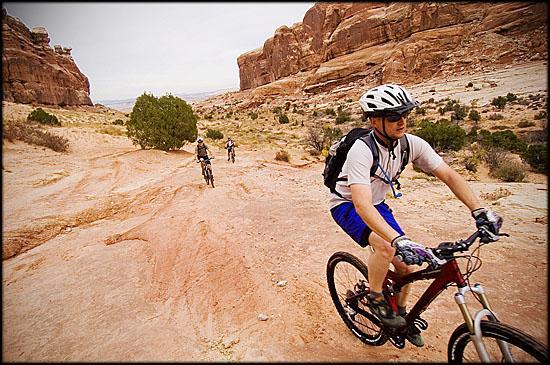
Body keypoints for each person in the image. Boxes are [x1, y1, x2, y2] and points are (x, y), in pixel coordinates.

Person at [328, 83, 502, 347]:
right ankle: (375, 297)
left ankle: (401, 314)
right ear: (375, 120)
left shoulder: (411, 144)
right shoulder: (361, 150)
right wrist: (399, 240)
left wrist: (479, 211)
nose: (402, 121)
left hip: (377, 204)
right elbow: (362, 206)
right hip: (347, 204)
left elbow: (449, 175)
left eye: (405, 115)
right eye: (395, 116)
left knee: (406, 267)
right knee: (387, 246)